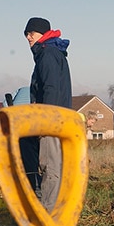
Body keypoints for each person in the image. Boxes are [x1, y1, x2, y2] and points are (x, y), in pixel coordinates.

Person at [24, 16, 72, 212]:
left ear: (42, 34)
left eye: (31, 33)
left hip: (52, 121)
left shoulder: (47, 54)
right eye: (26, 34)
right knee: (51, 165)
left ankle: (48, 214)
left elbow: (51, 88)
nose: (28, 37)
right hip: (55, 119)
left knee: (49, 166)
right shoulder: (50, 52)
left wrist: (46, 122)